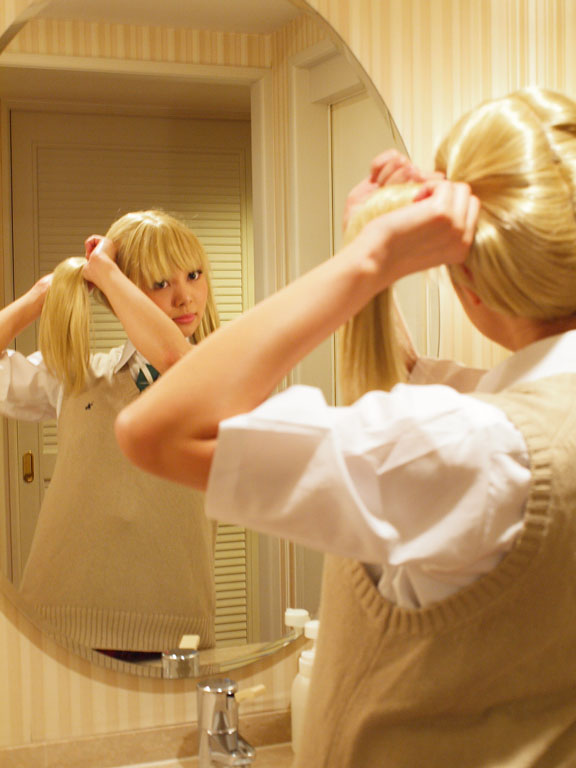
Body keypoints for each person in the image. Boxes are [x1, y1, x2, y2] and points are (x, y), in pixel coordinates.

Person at [116, 86, 576, 765]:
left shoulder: (475, 451)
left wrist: (368, 261)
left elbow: (155, 432)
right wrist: (366, 246)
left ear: (469, 281)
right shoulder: (505, 426)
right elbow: (406, 376)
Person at [0, 210, 219, 653]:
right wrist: (41, 295)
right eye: (161, 282)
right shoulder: (77, 375)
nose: (185, 297)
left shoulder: (220, 370)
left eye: (194, 275)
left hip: (178, 625)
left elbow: (176, 363)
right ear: (122, 294)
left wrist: (105, 271)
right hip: (62, 621)